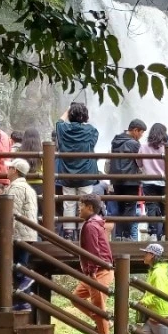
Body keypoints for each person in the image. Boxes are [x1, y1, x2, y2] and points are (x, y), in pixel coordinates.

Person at [71, 194, 114, 334]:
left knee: (98, 308)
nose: (79, 209)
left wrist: (91, 272)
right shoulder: (94, 223)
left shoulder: (90, 226)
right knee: (76, 297)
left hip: (98, 272)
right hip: (98, 270)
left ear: (89, 208)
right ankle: (105, 322)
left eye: (81, 206)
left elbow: (93, 252)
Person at [0, 158, 38, 311]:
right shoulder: (26, 187)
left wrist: (4, 234)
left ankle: (24, 292)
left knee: (17, 267)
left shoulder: (17, 188)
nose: (7, 170)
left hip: (18, 233)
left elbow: (12, 211)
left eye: (10, 168)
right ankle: (23, 301)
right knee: (19, 265)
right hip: (25, 232)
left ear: (15, 170)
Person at [55, 103, 100, 241]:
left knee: (68, 204)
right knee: (86, 203)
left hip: (67, 174)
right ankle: (83, 232)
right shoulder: (91, 130)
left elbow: (59, 121)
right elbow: (93, 142)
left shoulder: (62, 129)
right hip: (86, 174)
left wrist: (68, 110)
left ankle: (69, 234)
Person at [109, 119, 146, 240]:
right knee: (130, 207)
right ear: (135, 130)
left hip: (116, 179)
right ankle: (127, 235)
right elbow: (141, 161)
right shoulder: (134, 144)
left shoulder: (116, 140)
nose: (141, 136)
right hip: (130, 180)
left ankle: (119, 235)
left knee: (120, 207)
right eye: (141, 132)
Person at [137, 123, 168, 240]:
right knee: (166, 208)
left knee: (151, 207)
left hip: (148, 181)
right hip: (164, 182)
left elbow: (139, 163)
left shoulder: (143, 147)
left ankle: (153, 233)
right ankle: (165, 234)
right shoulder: (167, 147)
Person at [18, 129, 43, 216]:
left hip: (24, 184)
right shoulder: (43, 151)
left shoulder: (19, 151)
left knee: (25, 211)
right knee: (39, 212)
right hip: (40, 184)